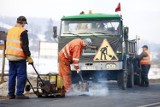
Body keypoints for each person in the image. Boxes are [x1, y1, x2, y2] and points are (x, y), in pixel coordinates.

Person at [5, 16, 33, 99]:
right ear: (23, 22)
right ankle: (19, 93)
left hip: (10, 56)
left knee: (12, 75)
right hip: (19, 56)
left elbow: (7, 43)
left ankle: (10, 94)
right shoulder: (23, 31)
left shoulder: (10, 30)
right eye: (25, 23)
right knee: (21, 75)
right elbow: (25, 46)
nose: (24, 25)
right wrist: (29, 56)